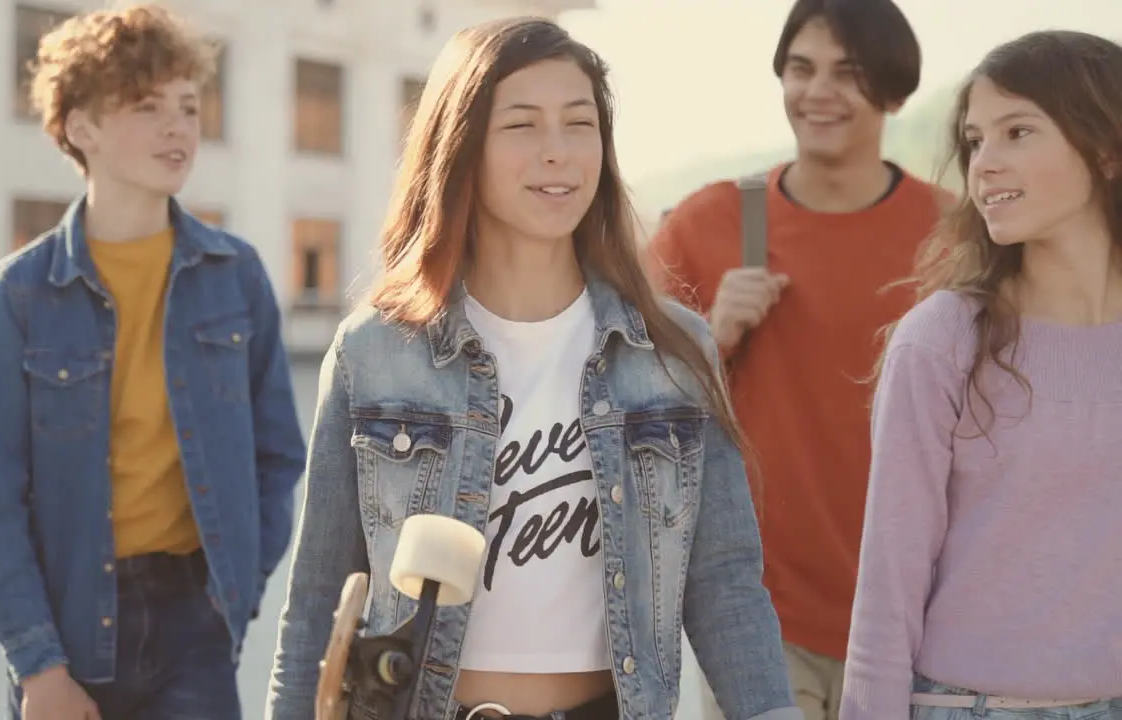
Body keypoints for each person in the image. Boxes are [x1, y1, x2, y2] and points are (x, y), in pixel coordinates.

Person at [267, 15, 801, 720]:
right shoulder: (375, 353)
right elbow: (318, 601)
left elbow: (725, 586)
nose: (559, 153)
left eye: (579, 124)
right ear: (461, 148)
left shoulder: (673, 354)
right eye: (522, 125)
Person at [0, 5, 306, 719]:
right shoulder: (21, 294)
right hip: (70, 625)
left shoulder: (236, 274)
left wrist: (232, 593)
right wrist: (39, 668)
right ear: (80, 127)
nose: (179, 126)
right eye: (148, 106)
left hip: (197, 621)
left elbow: (278, 455)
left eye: (188, 105)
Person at [645, 1, 948, 718]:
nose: (819, 91)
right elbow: (626, 406)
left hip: (922, 619)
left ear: (896, 91)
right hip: (761, 615)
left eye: (848, 73)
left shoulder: (954, 234)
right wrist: (712, 336)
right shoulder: (706, 224)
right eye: (802, 69)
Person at [841, 30, 1122, 720]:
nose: (984, 164)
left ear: (1108, 149)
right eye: (974, 142)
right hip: (969, 708)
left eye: (1017, 132)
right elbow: (889, 585)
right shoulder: (943, 341)